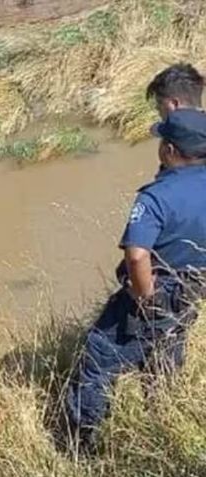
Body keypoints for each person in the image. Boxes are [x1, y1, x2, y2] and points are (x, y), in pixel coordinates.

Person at [66, 108, 206, 453]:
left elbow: (138, 255)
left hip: (155, 292)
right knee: (164, 360)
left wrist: (145, 298)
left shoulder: (155, 198)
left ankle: (81, 444)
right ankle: (164, 427)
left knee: (98, 360)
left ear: (170, 150)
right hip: (192, 292)